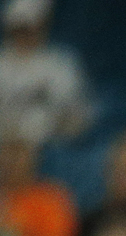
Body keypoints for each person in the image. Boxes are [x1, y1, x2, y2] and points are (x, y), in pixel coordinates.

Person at [0, 0, 91, 147]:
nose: (25, 34)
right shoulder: (2, 64)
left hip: (49, 150)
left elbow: (78, 120)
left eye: (30, 27)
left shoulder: (61, 64)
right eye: (20, 28)